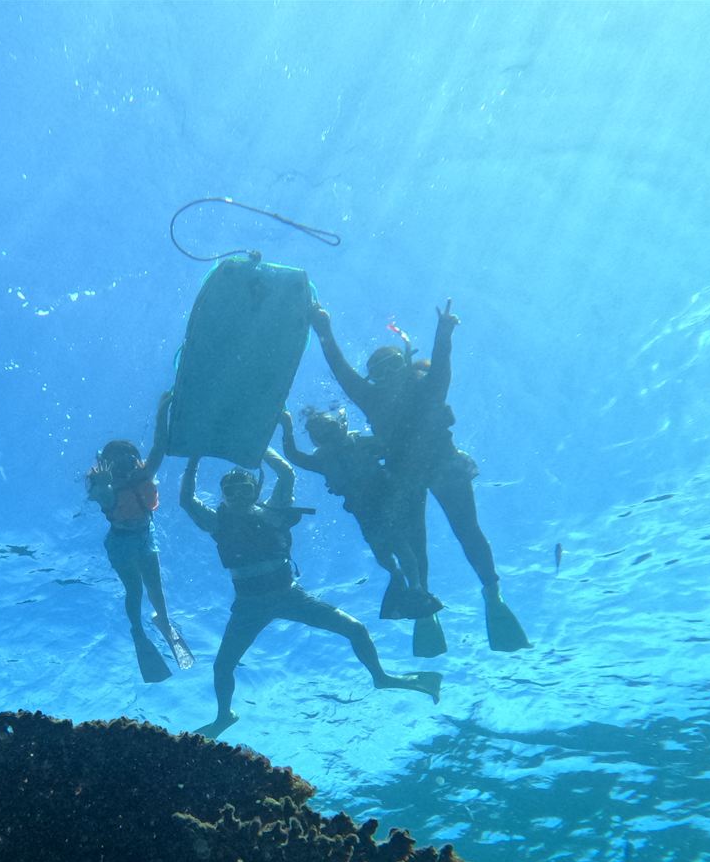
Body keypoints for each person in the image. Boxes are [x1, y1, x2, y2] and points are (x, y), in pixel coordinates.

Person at [310, 298, 529, 655]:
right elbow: (339, 369)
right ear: (374, 378)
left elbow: (442, 365)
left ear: (406, 365)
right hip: (406, 477)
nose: (387, 376)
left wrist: (444, 332)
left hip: (440, 467)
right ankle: (423, 601)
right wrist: (323, 332)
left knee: (467, 532)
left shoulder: (426, 388)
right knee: (417, 545)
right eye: (379, 371)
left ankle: (492, 594)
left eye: (392, 366)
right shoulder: (370, 397)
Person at [179, 448, 441, 739]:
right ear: (223, 496)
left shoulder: (272, 511)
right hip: (248, 606)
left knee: (356, 629)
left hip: (289, 595)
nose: (238, 496)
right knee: (222, 665)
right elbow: (186, 500)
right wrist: (194, 459)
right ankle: (224, 715)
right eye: (231, 491)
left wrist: (261, 445)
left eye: (245, 489)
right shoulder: (217, 520)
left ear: (255, 491)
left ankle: (381, 677)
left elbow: (286, 473)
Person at [277, 407, 438, 621]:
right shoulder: (323, 461)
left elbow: (393, 445)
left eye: (330, 428)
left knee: (400, 545)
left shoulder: (361, 443)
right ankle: (396, 575)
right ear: (317, 441)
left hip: (386, 503)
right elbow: (294, 456)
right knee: (381, 553)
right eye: (320, 434)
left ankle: (416, 587)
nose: (327, 435)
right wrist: (286, 427)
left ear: (341, 426)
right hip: (364, 513)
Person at [86, 392, 192, 682]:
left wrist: (162, 411)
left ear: (134, 459)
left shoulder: (145, 472)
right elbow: (103, 498)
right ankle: (138, 630)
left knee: (156, 589)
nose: (121, 463)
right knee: (135, 590)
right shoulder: (105, 487)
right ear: (105, 464)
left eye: (126, 456)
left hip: (146, 535)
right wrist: (103, 486)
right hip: (121, 544)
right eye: (114, 459)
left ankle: (164, 620)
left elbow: (160, 445)